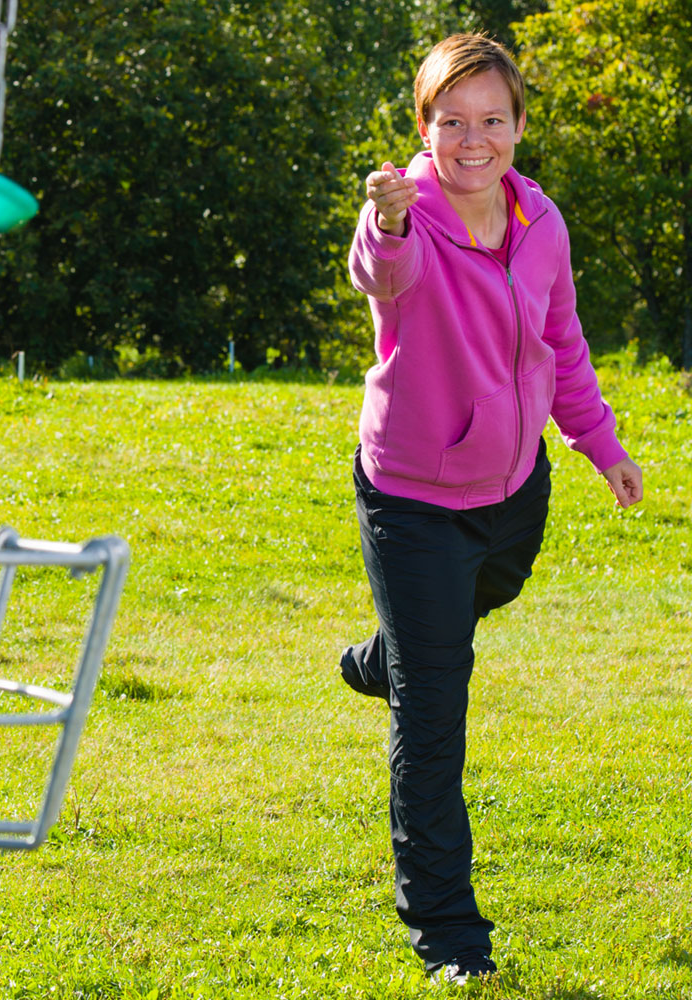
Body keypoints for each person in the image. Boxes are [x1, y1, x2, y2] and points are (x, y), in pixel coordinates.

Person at [341, 33, 643, 985]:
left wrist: (601, 444)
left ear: (517, 126)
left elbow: (562, 340)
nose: (473, 140)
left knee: (483, 600)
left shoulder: (539, 219)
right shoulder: (407, 217)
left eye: (492, 120)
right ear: (424, 128)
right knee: (435, 715)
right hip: (415, 501)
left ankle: (389, 655)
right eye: (451, 122)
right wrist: (384, 222)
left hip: (515, 489)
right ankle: (449, 935)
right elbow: (381, 276)